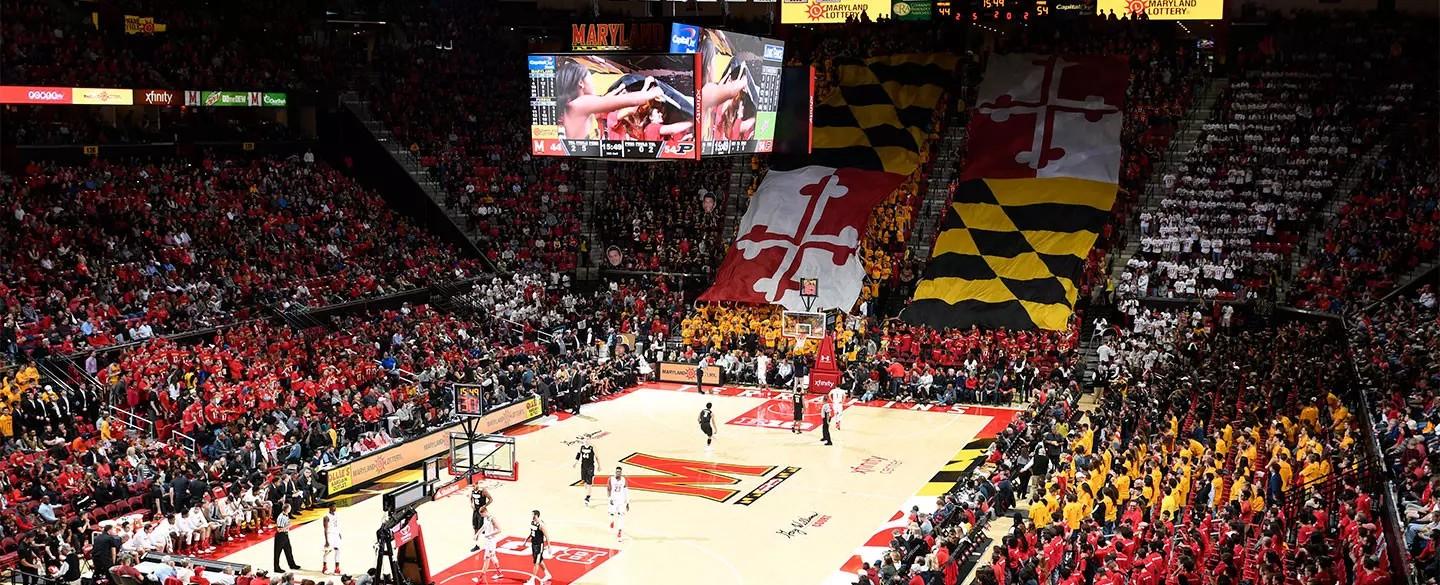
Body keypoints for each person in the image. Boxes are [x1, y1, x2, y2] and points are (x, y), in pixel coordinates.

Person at [524, 510, 552, 584]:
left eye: (532, 515)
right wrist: (526, 539)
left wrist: (549, 546)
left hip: (539, 545)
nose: (531, 516)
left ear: (536, 515)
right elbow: (532, 532)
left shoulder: (541, 525)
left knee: (536, 562)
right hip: (533, 544)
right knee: (539, 560)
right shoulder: (533, 522)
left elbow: (547, 536)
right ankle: (547, 574)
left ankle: (532, 580)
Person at [273, 504, 300, 573]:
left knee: (288, 550)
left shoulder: (286, 515)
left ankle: (292, 564)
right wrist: (288, 526)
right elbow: (279, 529)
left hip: (285, 535)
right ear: (287, 509)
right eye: (290, 508)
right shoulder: (281, 517)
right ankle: (276, 568)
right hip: (280, 536)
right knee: (277, 553)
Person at [475, 509, 501, 582]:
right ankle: (499, 572)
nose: (481, 516)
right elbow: (483, 526)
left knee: (486, 558)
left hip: (491, 541)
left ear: (485, 512)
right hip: (487, 541)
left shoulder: (492, 519)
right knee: (493, 556)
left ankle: (481, 577)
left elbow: (499, 530)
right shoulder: (485, 518)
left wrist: (489, 534)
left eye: (482, 514)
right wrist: (477, 534)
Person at [608, 467, 630, 540]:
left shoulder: (624, 480)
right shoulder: (611, 479)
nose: (618, 473)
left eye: (619, 472)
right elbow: (608, 489)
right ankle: (612, 521)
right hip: (613, 500)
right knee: (612, 513)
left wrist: (627, 502)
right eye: (617, 471)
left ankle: (619, 531)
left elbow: (626, 491)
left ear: (621, 472)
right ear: (615, 472)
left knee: (621, 516)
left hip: (621, 501)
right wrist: (609, 498)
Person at [575, 438, 598, 506]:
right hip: (583, 466)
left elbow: (597, 457)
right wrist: (575, 463)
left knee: (589, 482)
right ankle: (587, 493)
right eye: (585, 440)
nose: (586, 441)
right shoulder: (581, 447)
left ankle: (588, 497)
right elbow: (578, 455)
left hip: (590, 467)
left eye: (587, 440)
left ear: (589, 440)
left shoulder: (592, 447)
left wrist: (599, 465)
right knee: (584, 481)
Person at [321, 504, 341, 575]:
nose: (335, 508)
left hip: (336, 535)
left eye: (335, 506)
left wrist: (339, 533)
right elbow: (325, 529)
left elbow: (337, 525)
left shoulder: (336, 514)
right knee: (327, 551)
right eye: (333, 506)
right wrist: (326, 541)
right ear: (329, 507)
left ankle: (337, 568)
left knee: (338, 550)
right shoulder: (326, 517)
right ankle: (324, 567)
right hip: (330, 535)